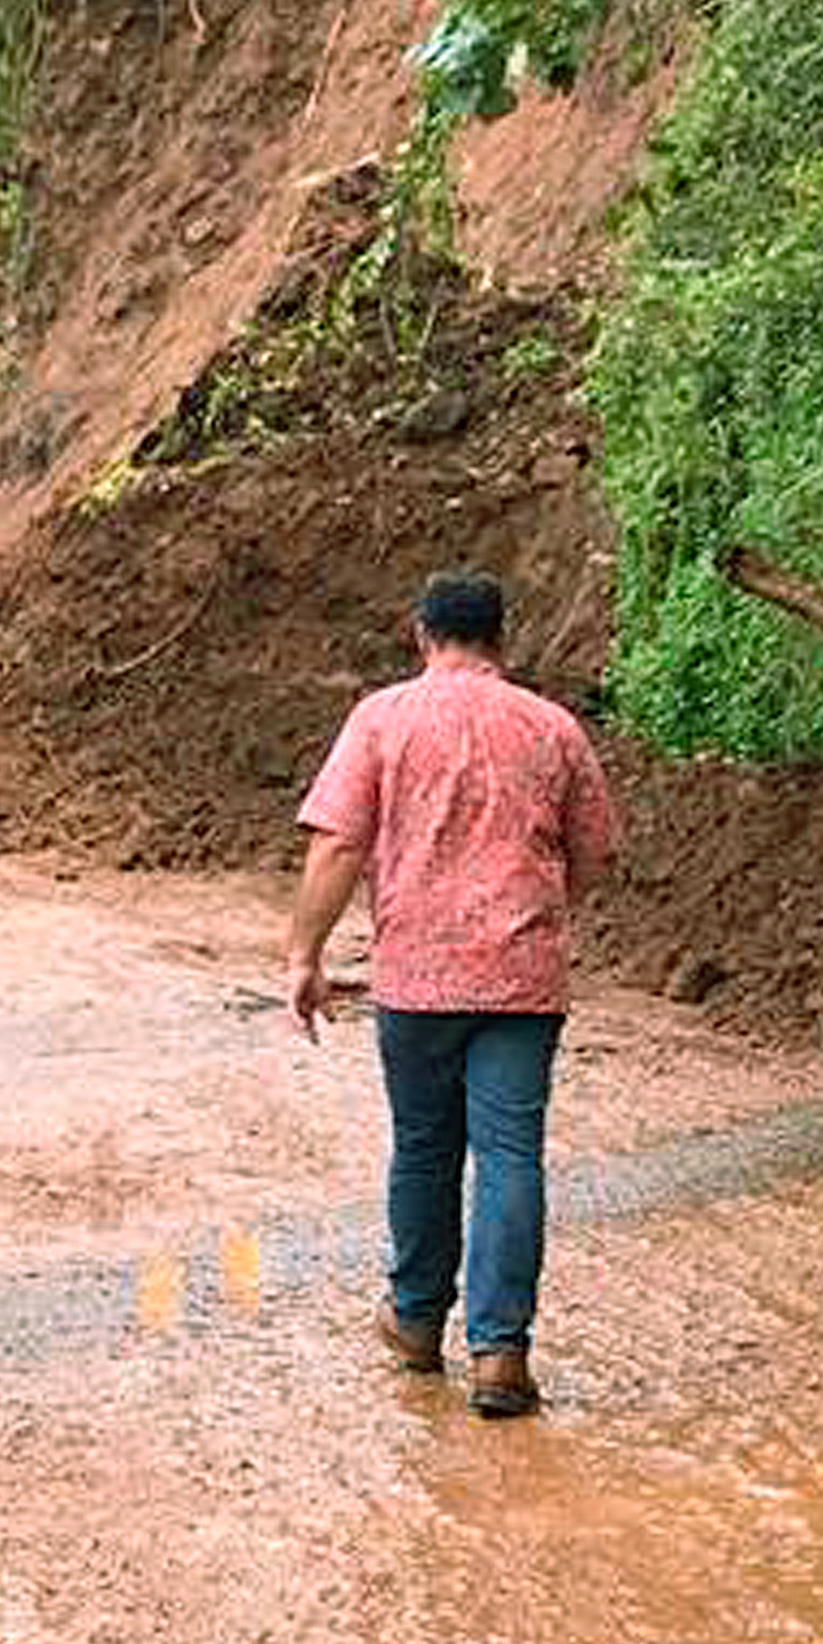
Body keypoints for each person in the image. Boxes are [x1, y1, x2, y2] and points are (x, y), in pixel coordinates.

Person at [285, 571, 619, 1419]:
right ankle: (501, 1352)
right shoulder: (553, 728)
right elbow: (593, 855)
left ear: (421, 633)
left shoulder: (383, 718)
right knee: (511, 1155)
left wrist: (304, 954)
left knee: (426, 1148)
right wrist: (538, 914)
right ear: (503, 638)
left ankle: (415, 1319)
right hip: (522, 978)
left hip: (419, 980)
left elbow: (335, 847)